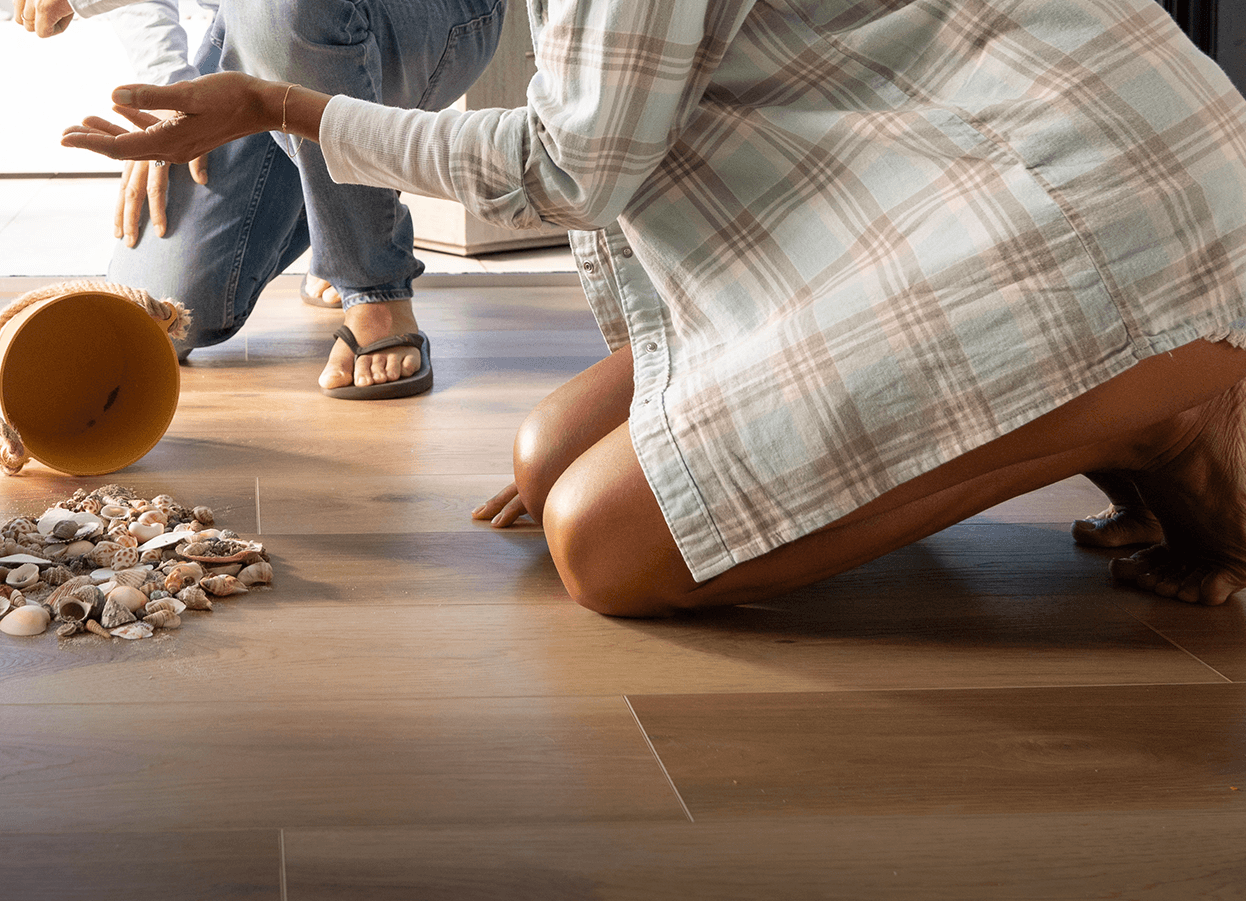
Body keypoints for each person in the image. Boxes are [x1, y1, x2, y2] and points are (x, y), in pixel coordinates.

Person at [62, 0, 1246, 614]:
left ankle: (1163, 419)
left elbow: (572, 169)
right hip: (934, 172)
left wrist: (284, 106)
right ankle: (1131, 394)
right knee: (552, 451)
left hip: (1082, 207)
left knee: (604, 545)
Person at [18, 0, 504, 399]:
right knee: (170, 307)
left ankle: (374, 284)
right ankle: (338, 205)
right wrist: (171, 88)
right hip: (248, 31)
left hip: (420, 16)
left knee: (280, 12)